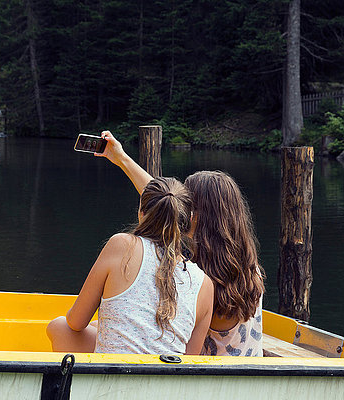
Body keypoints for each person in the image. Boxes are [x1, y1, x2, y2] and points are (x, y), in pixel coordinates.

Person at [97, 130, 265, 357]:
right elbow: (165, 201)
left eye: (185, 201)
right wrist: (122, 159)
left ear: (194, 214)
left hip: (204, 381)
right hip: (245, 377)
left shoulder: (202, 280)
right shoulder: (247, 268)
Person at [46, 177, 214, 355]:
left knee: (60, 326)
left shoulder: (122, 245)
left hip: (112, 377)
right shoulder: (205, 284)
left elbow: (76, 322)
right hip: (164, 381)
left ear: (141, 212)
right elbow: (189, 360)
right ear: (188, 219)